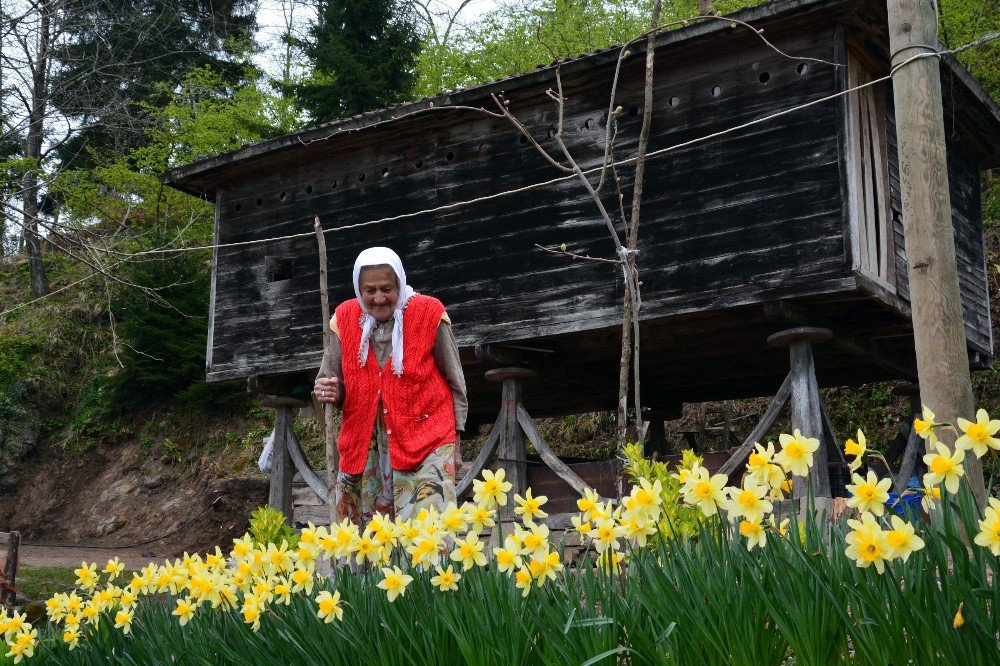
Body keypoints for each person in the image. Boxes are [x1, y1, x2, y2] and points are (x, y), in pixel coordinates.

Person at [313, 247, 467, 529]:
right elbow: (328, 383)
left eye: (387, 288)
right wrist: (330, 392)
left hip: (426, 435)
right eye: (369, 290)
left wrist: (456, 443)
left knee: (430, 530)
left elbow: (456, 381)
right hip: (366, 442)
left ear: (400, 283)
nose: (379, 298)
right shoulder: (345, 319)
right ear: (358, 290)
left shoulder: (428, 313)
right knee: (371, 539)